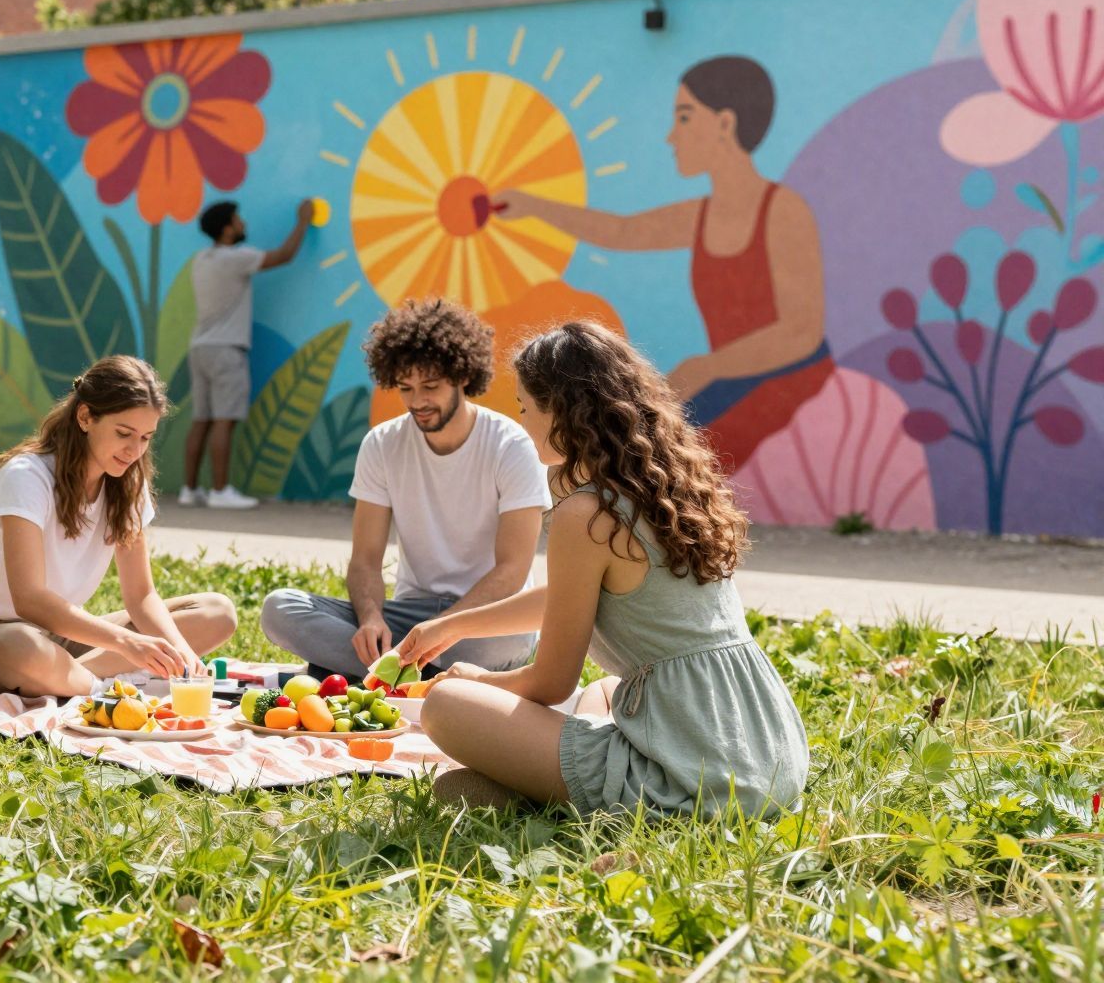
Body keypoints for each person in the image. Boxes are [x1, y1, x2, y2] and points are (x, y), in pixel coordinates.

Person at [397, 322, 809, 816]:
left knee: (448, 708)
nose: (522, 420)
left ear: (563, 413)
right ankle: (538, 787)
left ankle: (541, 796)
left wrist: (470, 682)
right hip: (765, 751)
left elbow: (551, 685)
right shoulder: (661, 488)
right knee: (606, 691)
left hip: (700, 780)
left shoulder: (585, 515)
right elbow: (573, 595)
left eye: (527, 407)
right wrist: (454, 625)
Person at [494, 55, 830, 474]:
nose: (672, 136)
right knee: (633, 435)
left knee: (647, 449)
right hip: (727, 378)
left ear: (726, 123)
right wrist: (530, 205)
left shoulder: (783, 212)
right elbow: (622, 232)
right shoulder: (702, 215)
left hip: (789, 374)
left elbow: (802, 332)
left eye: (685, 118)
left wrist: (707, 367)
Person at [260, 298, 546, 681]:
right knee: (279, 609)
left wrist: (442, 629)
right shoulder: (382, 444)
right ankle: (415, 675)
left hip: (484, 620)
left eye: (430, 386)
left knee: (497, 644)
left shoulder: (511, 445)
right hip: (411, 615)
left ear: (463, 376)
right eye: (406, 388)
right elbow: (365, 560)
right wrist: (371, 617)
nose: (417, 401)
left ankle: (376, 672)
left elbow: (511, 572)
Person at [0, 355, 238, 698]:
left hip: (67, 638)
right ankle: (98, 687)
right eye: (124, 433)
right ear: (85, 416)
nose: (134, 450)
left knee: (217, 612)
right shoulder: (27, 476)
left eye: (145, 437)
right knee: (23, 647)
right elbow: (30, 601)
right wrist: (127, 643)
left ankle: (72, 678)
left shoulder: (128, 483)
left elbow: (141, 596)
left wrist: (179, 652)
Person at [180, 199, 313, 509]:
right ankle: (220, 490)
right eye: (238, 220)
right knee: (225, 421)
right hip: (226, 349)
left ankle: (189, 490)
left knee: (202, 420)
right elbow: (284, 256)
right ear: (227, 228)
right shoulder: (236, 258)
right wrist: (303, 221)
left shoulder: (201, 259)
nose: (243, 224)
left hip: (199, 347)